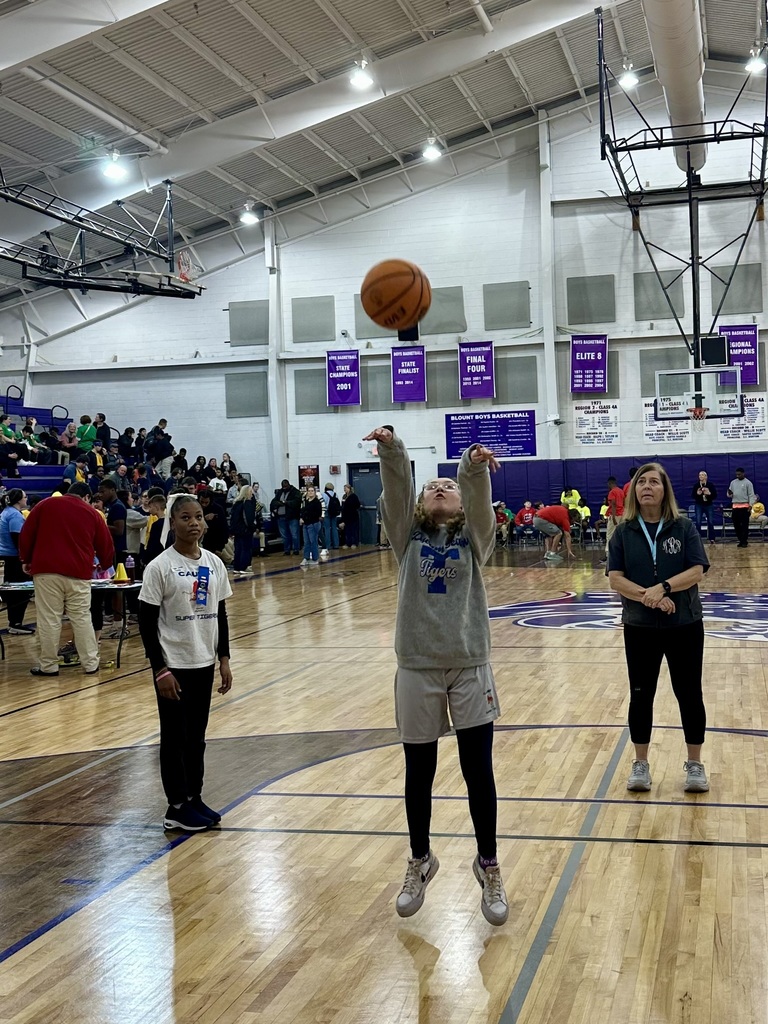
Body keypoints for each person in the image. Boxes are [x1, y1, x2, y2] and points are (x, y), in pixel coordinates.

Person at [363, 425, 508, 926]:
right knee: (419, 770)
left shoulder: (475, 538)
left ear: (462, 501)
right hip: (417, 666)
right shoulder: (406, 537)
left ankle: (488, 864)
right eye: (432, 487)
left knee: (478, 770)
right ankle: (420, 859)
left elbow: (480, 503)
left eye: (449, 487)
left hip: (469, 663)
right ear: (421, 503)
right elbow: (396, 490)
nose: (440, 489)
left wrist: (472, 468)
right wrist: (392, 449)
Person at [608, 462, 710, 794]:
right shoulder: (623, 532)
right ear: (634, 491)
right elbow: (615, 579)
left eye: (654, 482)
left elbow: (696, 571)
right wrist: (650, 598)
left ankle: (695, 764)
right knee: (641, 695)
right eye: (642, 482)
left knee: (689, 693)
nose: (647, 487)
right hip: (640, 627)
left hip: (684, 624)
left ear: (665, 490)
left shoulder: (684, 527)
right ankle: (640, 764)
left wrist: (663, 588)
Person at [138, 493, 233, 832]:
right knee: (175, 737)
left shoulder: (214, 563)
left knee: (197, 737)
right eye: (186, 518)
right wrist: (159, 669)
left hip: (203, 661)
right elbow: (146, 622)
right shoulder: (159, 567)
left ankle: (194, 796)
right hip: (173, 665)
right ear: (173, 522)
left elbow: (220, 613)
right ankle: (176, 806)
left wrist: (224, 658)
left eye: (199, 517)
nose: (194, 523)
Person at [19, 481, 114, 676]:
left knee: (49, 618)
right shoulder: (92, 513)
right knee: (81, 618)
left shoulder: (45, 505)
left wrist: (26, 559)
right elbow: (106, 544)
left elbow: (26, 533)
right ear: (86, 497)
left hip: (46, 571)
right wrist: (105, 565)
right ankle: (90, 664)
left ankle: (48, 666)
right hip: (79, 572)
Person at [0, 488, 34, 634]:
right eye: (25, 497)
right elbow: (18, 539)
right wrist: (25, 558)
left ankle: (14, 622)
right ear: (19, 500)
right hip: (14, 558)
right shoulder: (14, 515)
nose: (26, 499)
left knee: (15, 591)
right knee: (21, 592)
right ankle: (16, 622)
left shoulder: (6, 512)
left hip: (8, 556)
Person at [230, 484, 259, 573]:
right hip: (245, 530)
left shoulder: (236, 503)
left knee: (238, 549)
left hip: (237, 530)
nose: (252, 494)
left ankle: (237, 567)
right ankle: (244, 567)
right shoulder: (247, 503)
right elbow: (248, 518)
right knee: (246, 548)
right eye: (250, 491)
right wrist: (253, 527)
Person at [270, 479, 302, 556]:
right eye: (283, 487)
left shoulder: (295, 492)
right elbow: (273, 502)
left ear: (288, 485)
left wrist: (286, 503)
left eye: (285, 486)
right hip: (281, 517)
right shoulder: (279, 492)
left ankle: (296, 549)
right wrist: (279, 504)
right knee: (284, 535)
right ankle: (286, 550)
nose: (284, 488)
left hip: (292, 517)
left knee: (294, 534)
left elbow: (297, 503)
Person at [727, 468, 756, 548]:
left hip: (745, 507)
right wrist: (729, 493)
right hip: (735, 506)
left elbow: (751, 495)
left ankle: (744, 541)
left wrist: (750, 505)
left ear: (743, 473)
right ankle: (740, 540)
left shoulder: (748, 483)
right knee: (736, 525)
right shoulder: (733, 482)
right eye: (736, 474)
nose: (737, 476)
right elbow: (729, 495)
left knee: (744, 525)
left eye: (739, 474)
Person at [199, 489, 228, 557]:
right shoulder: (195, 507)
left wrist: (220, 547)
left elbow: (223, 528)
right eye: (202, 502)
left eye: (206, 502)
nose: (204, 505)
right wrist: (204, 519)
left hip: (213, 541)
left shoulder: (217, 509)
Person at [691, 471, 717, 544]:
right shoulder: (696, 485)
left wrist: (709, 493)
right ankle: (698, 538)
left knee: (710, 522)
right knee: (698, 522)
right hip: (699, 505)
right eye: (699, 475)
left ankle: (712, 538)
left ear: (706, 477)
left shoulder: (710, 485)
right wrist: (697, 494)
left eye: (702, 475)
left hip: (708, 505)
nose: (701, 476)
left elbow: (715, 496)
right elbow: (692, 496)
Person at [299, 484, 323, 567]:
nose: (310, 492)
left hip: (313, 524)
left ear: (315, 492)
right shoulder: (305, 502)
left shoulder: (317, 502)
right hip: (305, 524)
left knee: (313, 542)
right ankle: (306, 558)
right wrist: (301, 518)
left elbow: (317, 514)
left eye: (312, 491)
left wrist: (306, 518)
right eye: (309, 491)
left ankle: (315, 558)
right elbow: (302, 511)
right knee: (306, 542)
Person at [340, 483, 361, 548]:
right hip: (346, 516)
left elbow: (357, 505)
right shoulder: (344, 496)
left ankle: (354, 543)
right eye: (344, 488)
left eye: (346, 488)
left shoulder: (354, 496)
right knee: (347, 530)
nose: (344, 490)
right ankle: (348, 543)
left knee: (354, 530)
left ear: (349, 489)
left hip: (353, 515)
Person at [324, 483, 341, 549]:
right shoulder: (335, 494)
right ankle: (336, 544)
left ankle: (328, 545)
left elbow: (323, 504)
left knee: (327, 529)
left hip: (326, 512)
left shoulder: (324, 494)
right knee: (334, 528)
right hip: (334, 513)